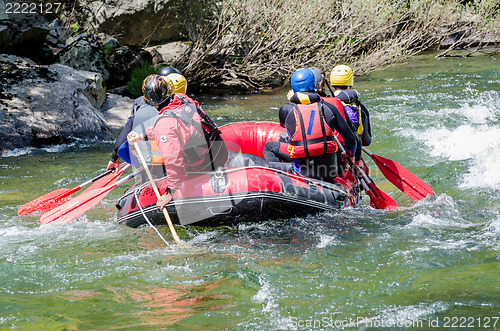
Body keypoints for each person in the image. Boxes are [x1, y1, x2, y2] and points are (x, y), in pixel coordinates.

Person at [127, 74, 228, 210]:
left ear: (148, 100)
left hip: (204, 164)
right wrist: (142, 136)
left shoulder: (164, 124)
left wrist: (170, 191)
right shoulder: (182, 99)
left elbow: (172, 158)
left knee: (161, 164)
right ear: (169, 90)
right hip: (220, 152)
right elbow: (174, 127)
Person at [269, 68, 357, 182]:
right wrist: (350, 154)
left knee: (269, 148)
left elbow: (285, 126)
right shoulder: (329, 108)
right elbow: (351, 138)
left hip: (302, 173)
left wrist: (292, 100)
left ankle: (279, 183)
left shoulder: (286, 110)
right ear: (314, 86)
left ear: (293, 89)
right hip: (329, 173)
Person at [106, 67, 181, 171]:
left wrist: (114, 158)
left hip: (148, 162)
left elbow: (120, 146)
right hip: (174, 163)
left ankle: (142, 168)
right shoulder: (184, 106)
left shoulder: (139, 103)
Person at [329, 65, 372, 148]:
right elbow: (366, 141)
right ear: (350, 84)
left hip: (330, 152)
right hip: (351, 153)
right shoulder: (360, 108)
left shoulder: (324, 103)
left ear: (332, 85)